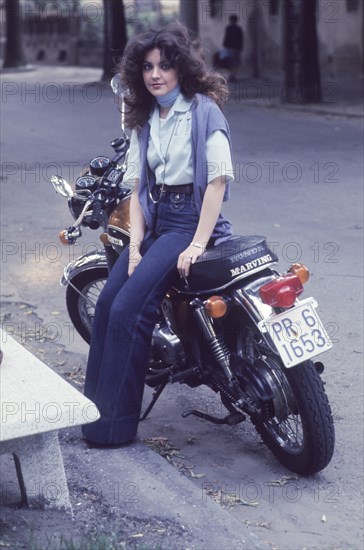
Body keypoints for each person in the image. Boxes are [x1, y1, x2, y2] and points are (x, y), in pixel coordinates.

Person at [82, 22, 235, 446]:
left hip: (189, 222)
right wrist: (133, 247)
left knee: (132, 306)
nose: (156, 74)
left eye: (164, 66)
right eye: (147, 67)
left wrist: (198, 243)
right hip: (155, 220)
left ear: (180, 68)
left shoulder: (203, 110)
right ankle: (92, 414)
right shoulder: (146, 117)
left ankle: (115, 427)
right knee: (110, 302)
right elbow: (137, 188)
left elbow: (218, 181)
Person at [222, 14, 244, 82]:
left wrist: (225, 45)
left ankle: (231, 76)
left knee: (230, 62)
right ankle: (233, 76)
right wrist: (240, 47)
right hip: (236, 48)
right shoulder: (238, 29)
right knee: (235, 63)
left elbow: (226, 37)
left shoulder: (228, 28)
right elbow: (241, 39)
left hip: (229, 47)